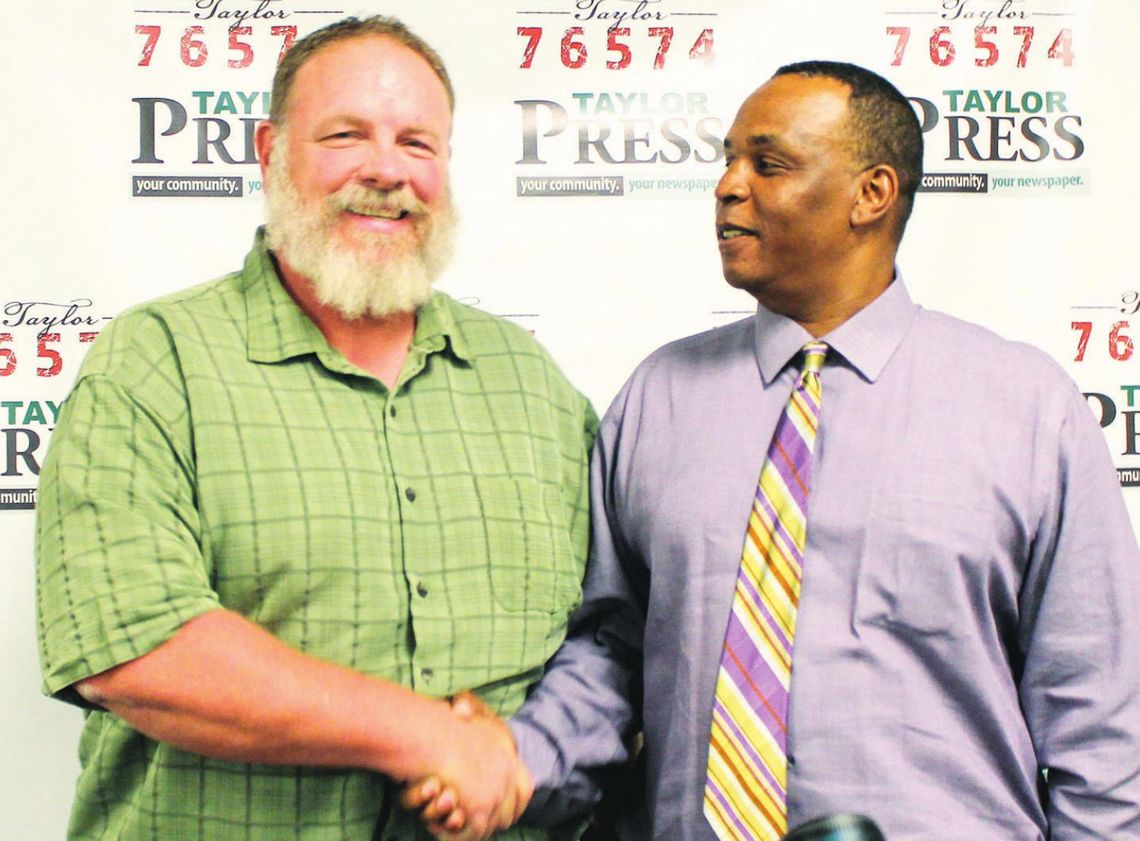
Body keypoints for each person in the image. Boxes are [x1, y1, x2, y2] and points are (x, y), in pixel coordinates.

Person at [409, 61, 1140, 840]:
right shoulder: (658, 396)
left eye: (769, 163)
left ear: (872, 193)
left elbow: (1101, 727)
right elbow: (613, 653)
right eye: (727, 159)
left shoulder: (1027, 409)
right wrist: (519, 758)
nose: (728, 185)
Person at [35, 15, 595, 841]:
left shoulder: (532, 383)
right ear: (268, 151)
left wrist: (524, 754)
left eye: (417, 143)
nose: (385, 171)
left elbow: (604, 630)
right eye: (345, 136)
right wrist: (430, 735)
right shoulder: (156, 364)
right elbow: (137, 648)